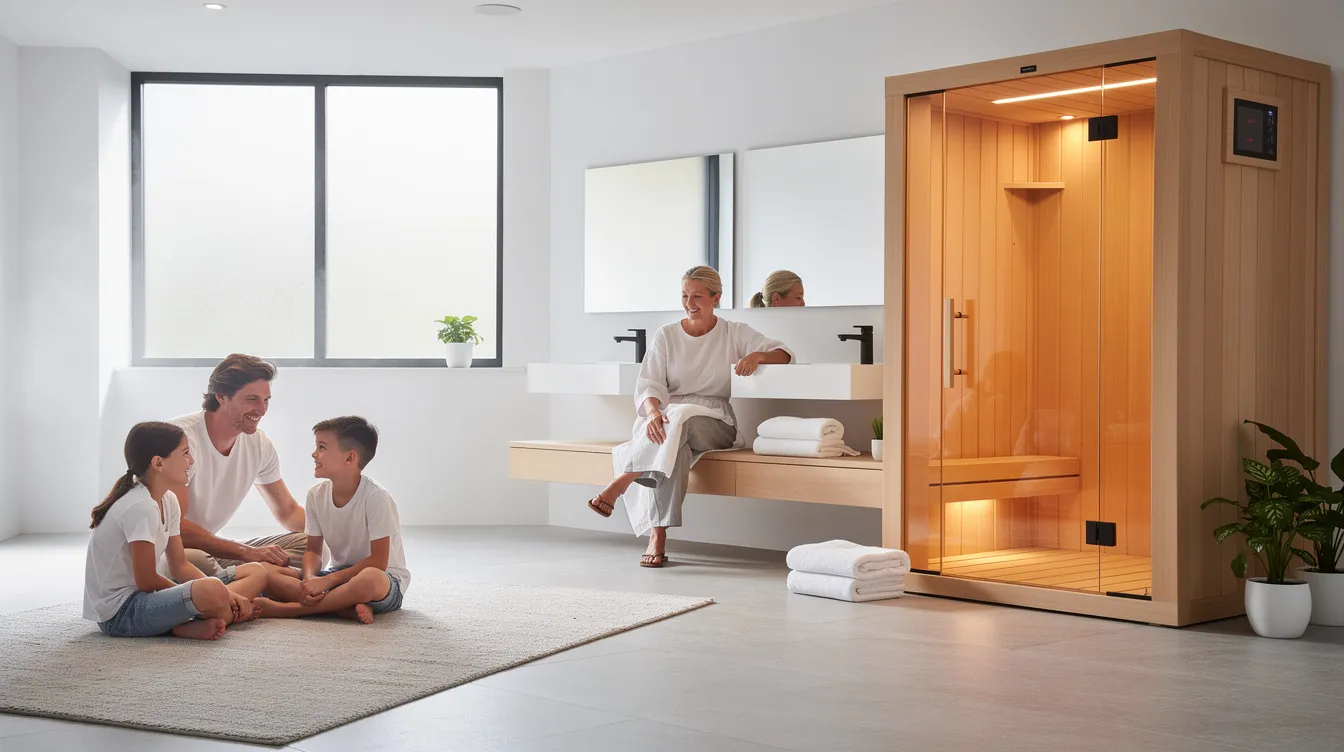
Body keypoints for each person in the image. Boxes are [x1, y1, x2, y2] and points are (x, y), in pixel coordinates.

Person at [588, 265, 794, 567]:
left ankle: (623, 479)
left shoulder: (733, 332)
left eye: (697, 296)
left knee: (679, 418)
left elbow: (784, 352)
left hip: (715, 422)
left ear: (716, 297)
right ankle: (657, 537)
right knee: (677, 451)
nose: (689, 303)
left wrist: (757, 355)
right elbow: (649, 385)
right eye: (684, 295)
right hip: (669, 419)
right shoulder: (666, 336)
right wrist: (654, 411)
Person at [84, 422, 268, 639]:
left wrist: (221, 595)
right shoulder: (140, 506)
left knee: (256, 571)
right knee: (212, 591)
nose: (191, 460)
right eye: (185, 453)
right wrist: (210, 595)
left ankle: (204, 617)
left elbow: (179, 565)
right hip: (121, 614)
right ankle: (194, 621)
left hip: (148, 597)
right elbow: (146, 580)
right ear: (158, 463)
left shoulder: (169, 500)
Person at [254, 416, 409, 624]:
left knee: (369, 578)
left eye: (322, 447)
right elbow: (313, 550)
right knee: (266, 573)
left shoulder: (376, 497)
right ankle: (342, 608)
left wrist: (328, 580)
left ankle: (291, 610)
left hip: (384, 581)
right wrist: (310, 580)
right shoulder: (315, 495)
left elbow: (379, 561)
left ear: (349, 458)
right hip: (339, 576)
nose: (314, 453)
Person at [167, 354, 307, 581]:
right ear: (221, 396)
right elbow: (173, 527)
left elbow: (289, 512)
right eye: (252, 399)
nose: (261, 410)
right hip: (173, 549)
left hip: (215, 552)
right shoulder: (179, 439)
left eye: (266, 400)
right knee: (195, 560)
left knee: (310, 545)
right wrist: (246, 552)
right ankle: (255, 582)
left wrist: (340, 527)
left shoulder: (259, 444)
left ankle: (243, 582)